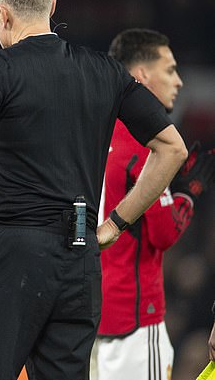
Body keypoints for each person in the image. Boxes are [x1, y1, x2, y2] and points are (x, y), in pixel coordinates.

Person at [0, 0, 188, 380]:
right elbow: (172, 148)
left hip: (14, 250)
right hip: (80, 257)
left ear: (1, 12)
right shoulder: (104, 70)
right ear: (52, 4)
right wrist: (115, 223)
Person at [91, 29, 215, 380]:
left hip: (83, 312)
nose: (178, 81)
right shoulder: (144, 148)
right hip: (132, 316)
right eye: (170, 70)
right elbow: (163, 232)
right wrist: (188, 194)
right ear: (141, 77)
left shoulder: (90, 136)